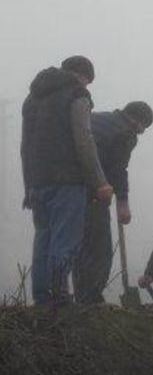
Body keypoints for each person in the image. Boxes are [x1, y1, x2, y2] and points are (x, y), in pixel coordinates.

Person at [21, 56, 112, 306]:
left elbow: (25, 145)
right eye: (88, 82)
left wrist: (28, 186)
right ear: (82, 75)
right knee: (65, 241)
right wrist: (100, 183)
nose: (87, 87)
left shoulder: (33, 98)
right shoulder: (76, 93)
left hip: (38, 182)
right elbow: (84, 139)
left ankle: (43, 299)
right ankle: (60, 299)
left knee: (43, 240)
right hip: (68, 181)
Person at [75, 102, 153, 304]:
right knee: (100, 250)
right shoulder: (126, 133)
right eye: (144, 127)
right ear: (136, 120)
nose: (142, 133)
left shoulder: (96, 119)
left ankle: (78, 297)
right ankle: (90, 298)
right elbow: (119, 168)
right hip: (94, 192)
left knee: (80, 247)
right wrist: (123, 202)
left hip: (69, 188)